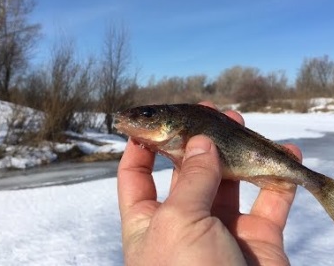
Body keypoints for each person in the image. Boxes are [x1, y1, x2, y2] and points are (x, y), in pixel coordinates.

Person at [117, 102, 302, 266]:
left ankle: (322, 187)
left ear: (174, 122)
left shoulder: (183, 130)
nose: (138, 119)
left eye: (149, 115)